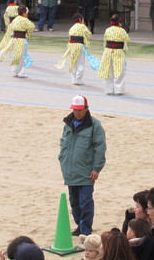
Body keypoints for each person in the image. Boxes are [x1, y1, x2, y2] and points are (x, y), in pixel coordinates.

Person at [58, 94, 107, 236]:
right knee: (74, 202)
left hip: (86, 172)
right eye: (75, 110)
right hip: (70, 170)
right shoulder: (68, 124)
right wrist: (62, 157)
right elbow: (63, 141)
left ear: (86, 109)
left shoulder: (95, 125)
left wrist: (96, 168)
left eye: (80, 110)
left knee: (85, 202)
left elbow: (100, 148)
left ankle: (85, 229)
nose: (77, 113)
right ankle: (79, 226)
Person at [0, 5, 35, 78]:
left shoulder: (15, 20)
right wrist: (27, 31)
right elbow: (32, 27)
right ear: (24, 13)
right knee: (22, 57)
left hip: (14, 39)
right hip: (21, 40)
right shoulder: (25, 20)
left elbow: (11, 27)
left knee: (14, 55)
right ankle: (21, 72)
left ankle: (15, 71)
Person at [98, 13, 131, 95]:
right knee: (119, 70)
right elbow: (127, 39)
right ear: (119, 22)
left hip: (108, 51)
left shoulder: (107, 30)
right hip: (118, 51)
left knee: (108, 70)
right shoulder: (122, 31)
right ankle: (118, 90)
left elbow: (105, 40)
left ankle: (108, 90)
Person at [57, 13, 93, 85]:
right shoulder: (83, 27)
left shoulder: (72, 27)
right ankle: (78, 79)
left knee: (73, 63)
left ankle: (73, 79)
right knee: (80, 64)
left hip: (72, 46)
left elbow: (70, 38)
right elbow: (89, 35)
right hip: (79, 46)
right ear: (80, 19)